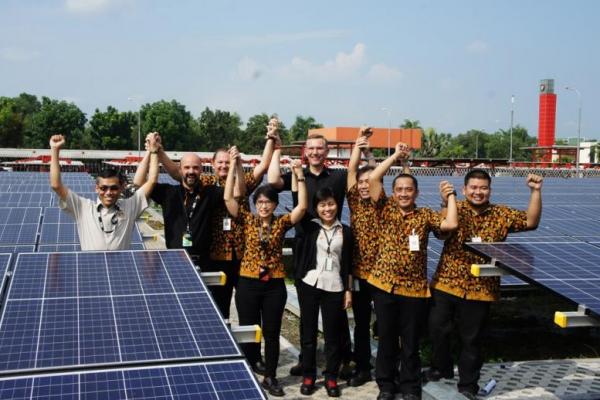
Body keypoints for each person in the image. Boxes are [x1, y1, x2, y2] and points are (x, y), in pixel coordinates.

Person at [135, 119, 279, 328]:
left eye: (227, 162)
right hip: (216, 254)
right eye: (220, 162)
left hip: (244, 253)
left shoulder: (242, 179)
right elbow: (179, 172)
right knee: (216, 305)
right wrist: (158, 150)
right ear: (211, 165)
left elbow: (260, 170)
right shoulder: (207, 184)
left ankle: (252, 353)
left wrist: (270, 139)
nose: (224, 165)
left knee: (247, 304)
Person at [426, 169, 543, 399]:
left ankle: (468, 384)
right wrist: (445, 200)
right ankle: (442, 367)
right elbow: (442, 231)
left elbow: (530, 221)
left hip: (481, 289)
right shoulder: (455, 208)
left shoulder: (501, 214)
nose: (478, 192)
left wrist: (535, 192)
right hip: (447, 282)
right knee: (436, 328)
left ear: (489, 190)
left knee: (472, 340)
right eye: (473, 187)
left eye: (483, 188)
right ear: (464, 189)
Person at [268, 133, 365, 378]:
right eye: (310, 148)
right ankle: (306, 362)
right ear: (305, 151)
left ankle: (343, 360)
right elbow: (273, 180)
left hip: (333, 250)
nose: (315, 152)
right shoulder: (297, 174)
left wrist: (360, 145)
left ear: (327, 150)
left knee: (336, 317)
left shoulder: (338, 176)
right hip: (305, 253)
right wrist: (276, 147)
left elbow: (355, 168)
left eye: (319, 148)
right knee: (307, 317)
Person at [367, 142, 458, 400]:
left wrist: (449, 196)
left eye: (409, 190)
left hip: (414, 290)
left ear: (416, 193)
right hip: (384, 286)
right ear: (393, 193)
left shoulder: (425, 215)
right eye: (399, 190)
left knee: (410, 343)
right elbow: (374, 177)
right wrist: (396, 155)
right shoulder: (384, 208)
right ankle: (386, 385)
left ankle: (410, 386)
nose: (404, 194)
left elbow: (450, 223)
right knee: (386, 339)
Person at [225, 149, 307, 397]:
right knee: (250, 330)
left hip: (274, 284)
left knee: (272, 333)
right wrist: (232, 166)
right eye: (259, 202)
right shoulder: (247, 220)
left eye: (268, 202)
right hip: (248, 282)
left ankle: (270, 375)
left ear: (274, 204)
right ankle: (250, 368)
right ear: (255, 203)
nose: (263, 206)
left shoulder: (281, 223)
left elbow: (302, 207)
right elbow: (229, 199)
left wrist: (299, 176)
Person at [345, 127, 411, 387]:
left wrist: (400, 161)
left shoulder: (385, 202)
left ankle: (390, 370)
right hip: (360, 274)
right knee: (361, 325)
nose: (363, 185)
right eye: (361, 182)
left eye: (368, 182)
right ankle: (362, 368)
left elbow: (404, 182)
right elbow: (352, 170)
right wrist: (359, 145)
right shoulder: (353, 200)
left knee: (386, 327)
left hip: (385, 275)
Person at [293, 183, 353, 397]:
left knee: (332, 336)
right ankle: (308, 375)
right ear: (316, 208)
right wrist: (299, 178)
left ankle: (331, 377)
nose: (327, 209)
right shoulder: (310, 227)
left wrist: (348, 290)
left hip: (335, 287)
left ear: (337, 205)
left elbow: (348, 264)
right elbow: (296, 205)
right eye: (322, 205)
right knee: (308, 334)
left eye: (330, 204)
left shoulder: (345, 231)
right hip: (310, 284)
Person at [49, 134, 158, 250]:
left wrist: (154, 152)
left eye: (114, 188)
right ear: (97, 188)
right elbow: (56, 185)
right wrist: (55, 150)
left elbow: (151, 181)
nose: (108, 192)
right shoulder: (83, 207)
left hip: (121, 267)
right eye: (103, 188)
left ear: (122, 188)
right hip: (90, 267)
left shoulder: (130, 207)